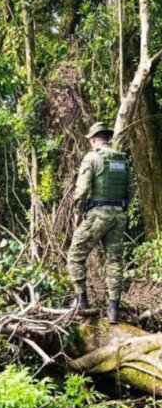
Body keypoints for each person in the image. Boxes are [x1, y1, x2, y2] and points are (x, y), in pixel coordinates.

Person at [67, 122, 130, 324]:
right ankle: (113, 309)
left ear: (94, 139)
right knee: (114, 261)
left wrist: (77, 212)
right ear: (107, 138)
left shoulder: (92, 157)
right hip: (119, 215)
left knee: (75, 255)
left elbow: (82, 189)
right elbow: (130, 189)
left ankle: (82, 302)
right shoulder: (122, 159)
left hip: (97, 214)